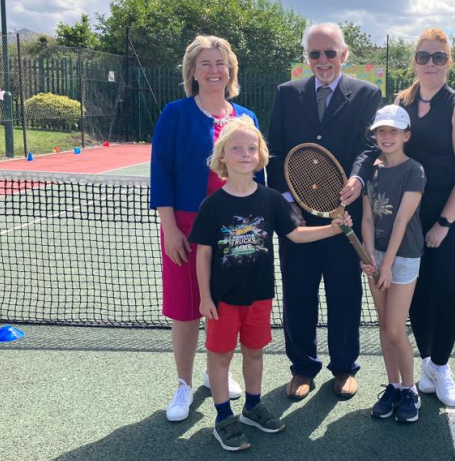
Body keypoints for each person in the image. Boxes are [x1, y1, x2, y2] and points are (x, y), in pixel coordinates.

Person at [190, 116, 352, 451]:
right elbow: (203, 255)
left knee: (254, 353)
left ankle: (252, 407)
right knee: (220, 358)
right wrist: (205, 296)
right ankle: (223, 418)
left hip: (260, 297)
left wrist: (332, 229)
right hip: (222, 300)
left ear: (261, 156)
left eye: (251, 148)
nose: (245, 154)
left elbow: (295, 233)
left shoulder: (271, 199)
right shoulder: (212, 205)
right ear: (223, 157)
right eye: (237, 148)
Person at [347, 28, 455, 408]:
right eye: (423, 56)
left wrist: (444, 224)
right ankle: (424, 362)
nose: (430, 64)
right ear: (415, 61)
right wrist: (358, 178)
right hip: (408, 215)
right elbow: (373, 149)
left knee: (451, 290)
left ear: (449, 62)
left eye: (439, 57)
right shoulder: (401, 102)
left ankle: (441, 364)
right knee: (417, 294)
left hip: (453, 215)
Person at [150, 35, 264, 422]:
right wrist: (170, 228)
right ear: (193, 72)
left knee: (227, 309)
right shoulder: (175, 113)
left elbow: (258, 175)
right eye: (206, 64)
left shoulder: (246, 117)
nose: (215, 70)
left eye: (221, 63)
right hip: (185, 225)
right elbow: (160, 173)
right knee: (185, 312)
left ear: (230, 70)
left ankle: (217, 372)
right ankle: (183, 384)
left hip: (237, 233)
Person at [267, 23, 382, 400]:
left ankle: (345, 367)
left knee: (345, 293)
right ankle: (302, 368)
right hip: (297, 217)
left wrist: (358, 180)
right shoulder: (287, 94)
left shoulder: (367, 94)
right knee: (298, 293)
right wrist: (288, 203)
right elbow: (277, 152)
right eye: (314, 54)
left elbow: (370, 147)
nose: (322, 60)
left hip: (343, 214)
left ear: (344, 54)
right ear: (307, 58)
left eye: (330, 52)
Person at [359, 104, 425, 423]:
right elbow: (368, 218)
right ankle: (394, 386)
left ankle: (410, 390)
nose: (386, 136)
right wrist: (370, 256)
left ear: (406, 136)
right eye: (381, 131)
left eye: (393, 131)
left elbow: (401, 219)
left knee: (396, 328)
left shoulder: (415, 171)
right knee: (384, 327)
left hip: (404, 256)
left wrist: (387, 265)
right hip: (377, 257)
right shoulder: (371, 169)